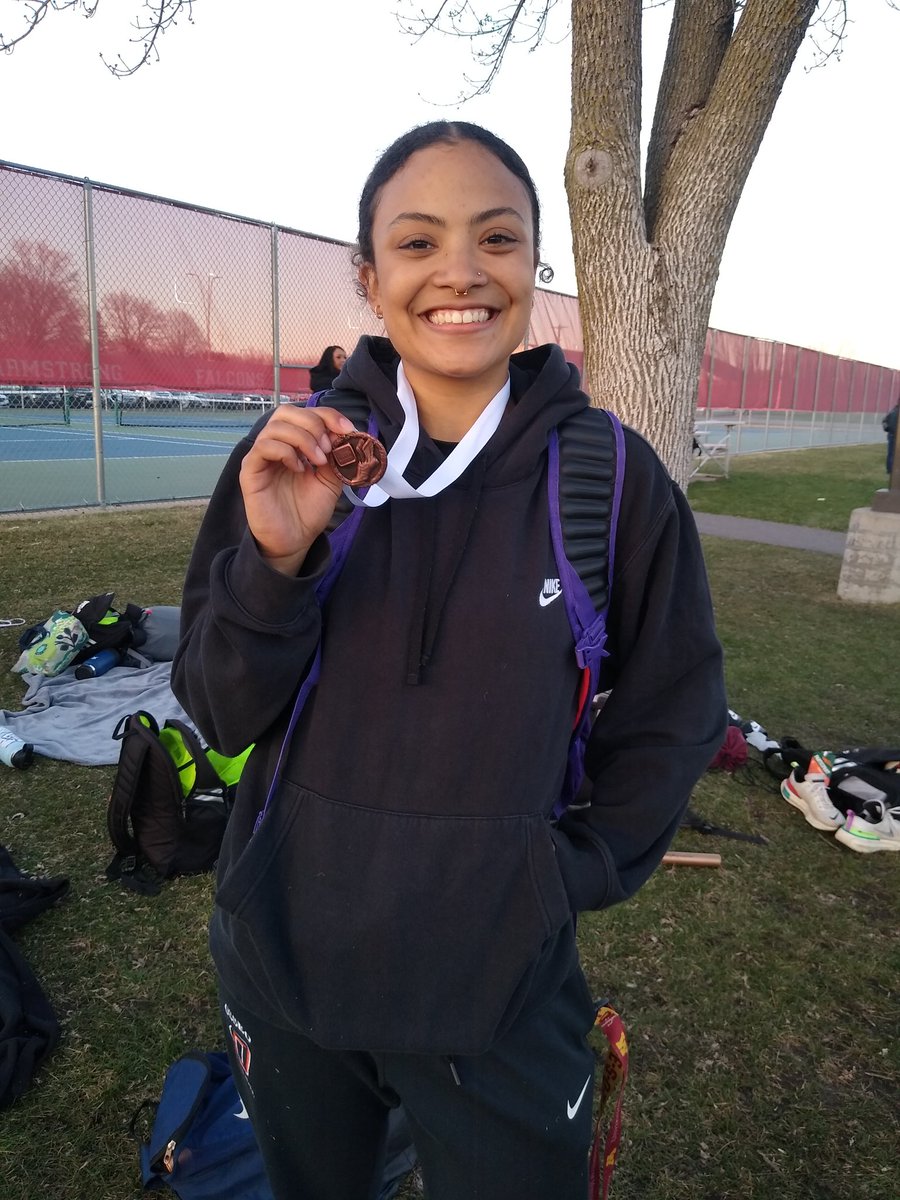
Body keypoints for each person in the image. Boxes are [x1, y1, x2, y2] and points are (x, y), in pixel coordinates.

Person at [172, 121, 726, 1200]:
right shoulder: (292, 455)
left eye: (498, 239)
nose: (461, 273)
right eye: (419, 244)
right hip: (287, 966)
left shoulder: (611, 481)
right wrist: (277, 562)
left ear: (533, 270)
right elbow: (218, 708)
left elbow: (675, 707)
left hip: (496, 985)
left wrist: (560, 873)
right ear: (372, 281)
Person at [882, 401, 898, 475]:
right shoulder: (894, 411)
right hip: (894, 435)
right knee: (893, 454)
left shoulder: (893, 411)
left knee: (891, 453)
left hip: (891, 435)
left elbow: (884, 421)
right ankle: (891, 470)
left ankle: (890, 470)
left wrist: (887, 429)